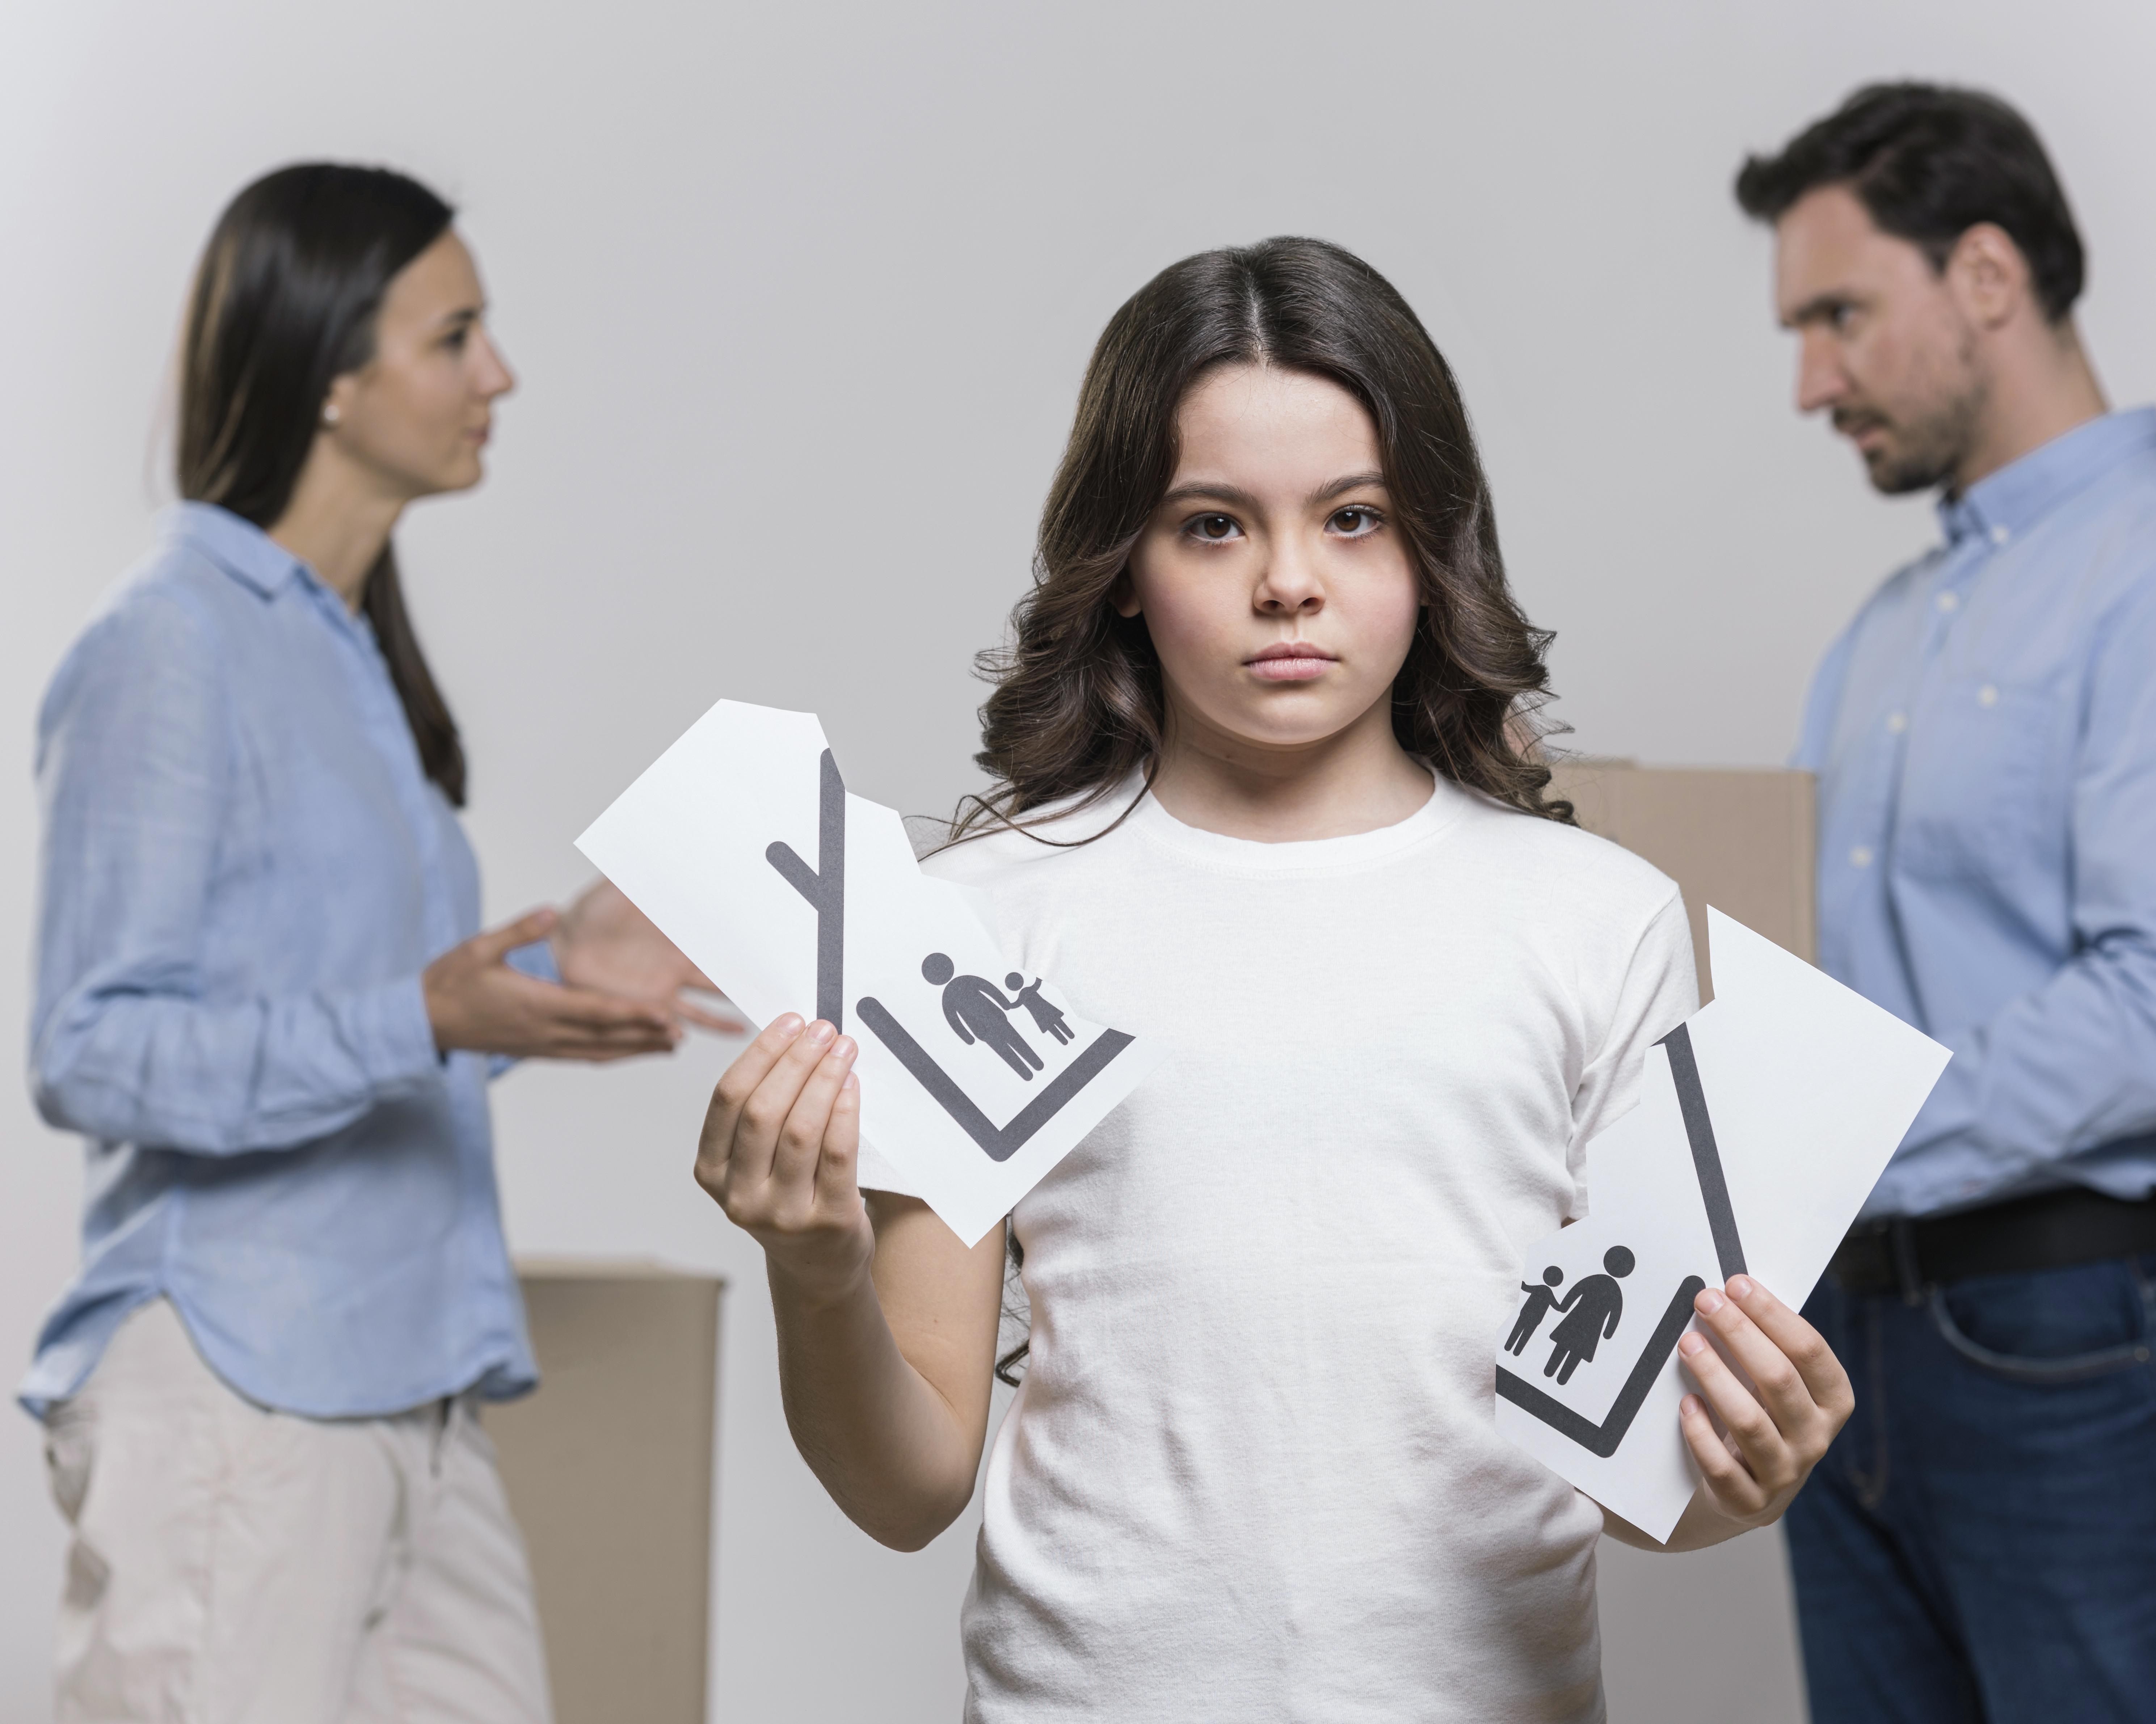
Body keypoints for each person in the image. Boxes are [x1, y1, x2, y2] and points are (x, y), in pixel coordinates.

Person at [692, 237, 1855, 1721]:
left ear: (1430, 548)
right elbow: (910, 1478)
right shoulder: (973, 921)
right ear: (1119, 568)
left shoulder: (1595, 920)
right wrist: (811, 1260)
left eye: (1352, 517)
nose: (1288, 582)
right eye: (1211, 525)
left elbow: (1641, 1488)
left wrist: (1742, 1470)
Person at [25, 164, 731, 1723]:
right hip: (239, 1392)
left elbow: (381, 1015)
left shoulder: (346, 667)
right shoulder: (169, 644)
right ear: (329, 371)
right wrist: (428, 1012)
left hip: (415, 1391)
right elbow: (91, 1048)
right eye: (456, 334)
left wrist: (552, 978)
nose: (501, 374)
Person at [1732, 84, 2156, 1724]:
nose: (1809, 382)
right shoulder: (1879, 634)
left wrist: (1815, 1148)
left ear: (1986, 276)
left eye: (1838, 317)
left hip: (2085, 1355)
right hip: (1847, 1346)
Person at [1541, 1249, 1633, 1384]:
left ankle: (1550, 1371)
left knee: (1564, 1345)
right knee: (1575, 1352)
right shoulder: (1615, 1290)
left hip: (1577, 1320)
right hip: (1592, 1329)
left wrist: (1565, 1306)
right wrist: (1608, 1332)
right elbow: (1615, 1314)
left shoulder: (1596, 1279)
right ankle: (1562, 1378)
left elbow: (1576, 1291)